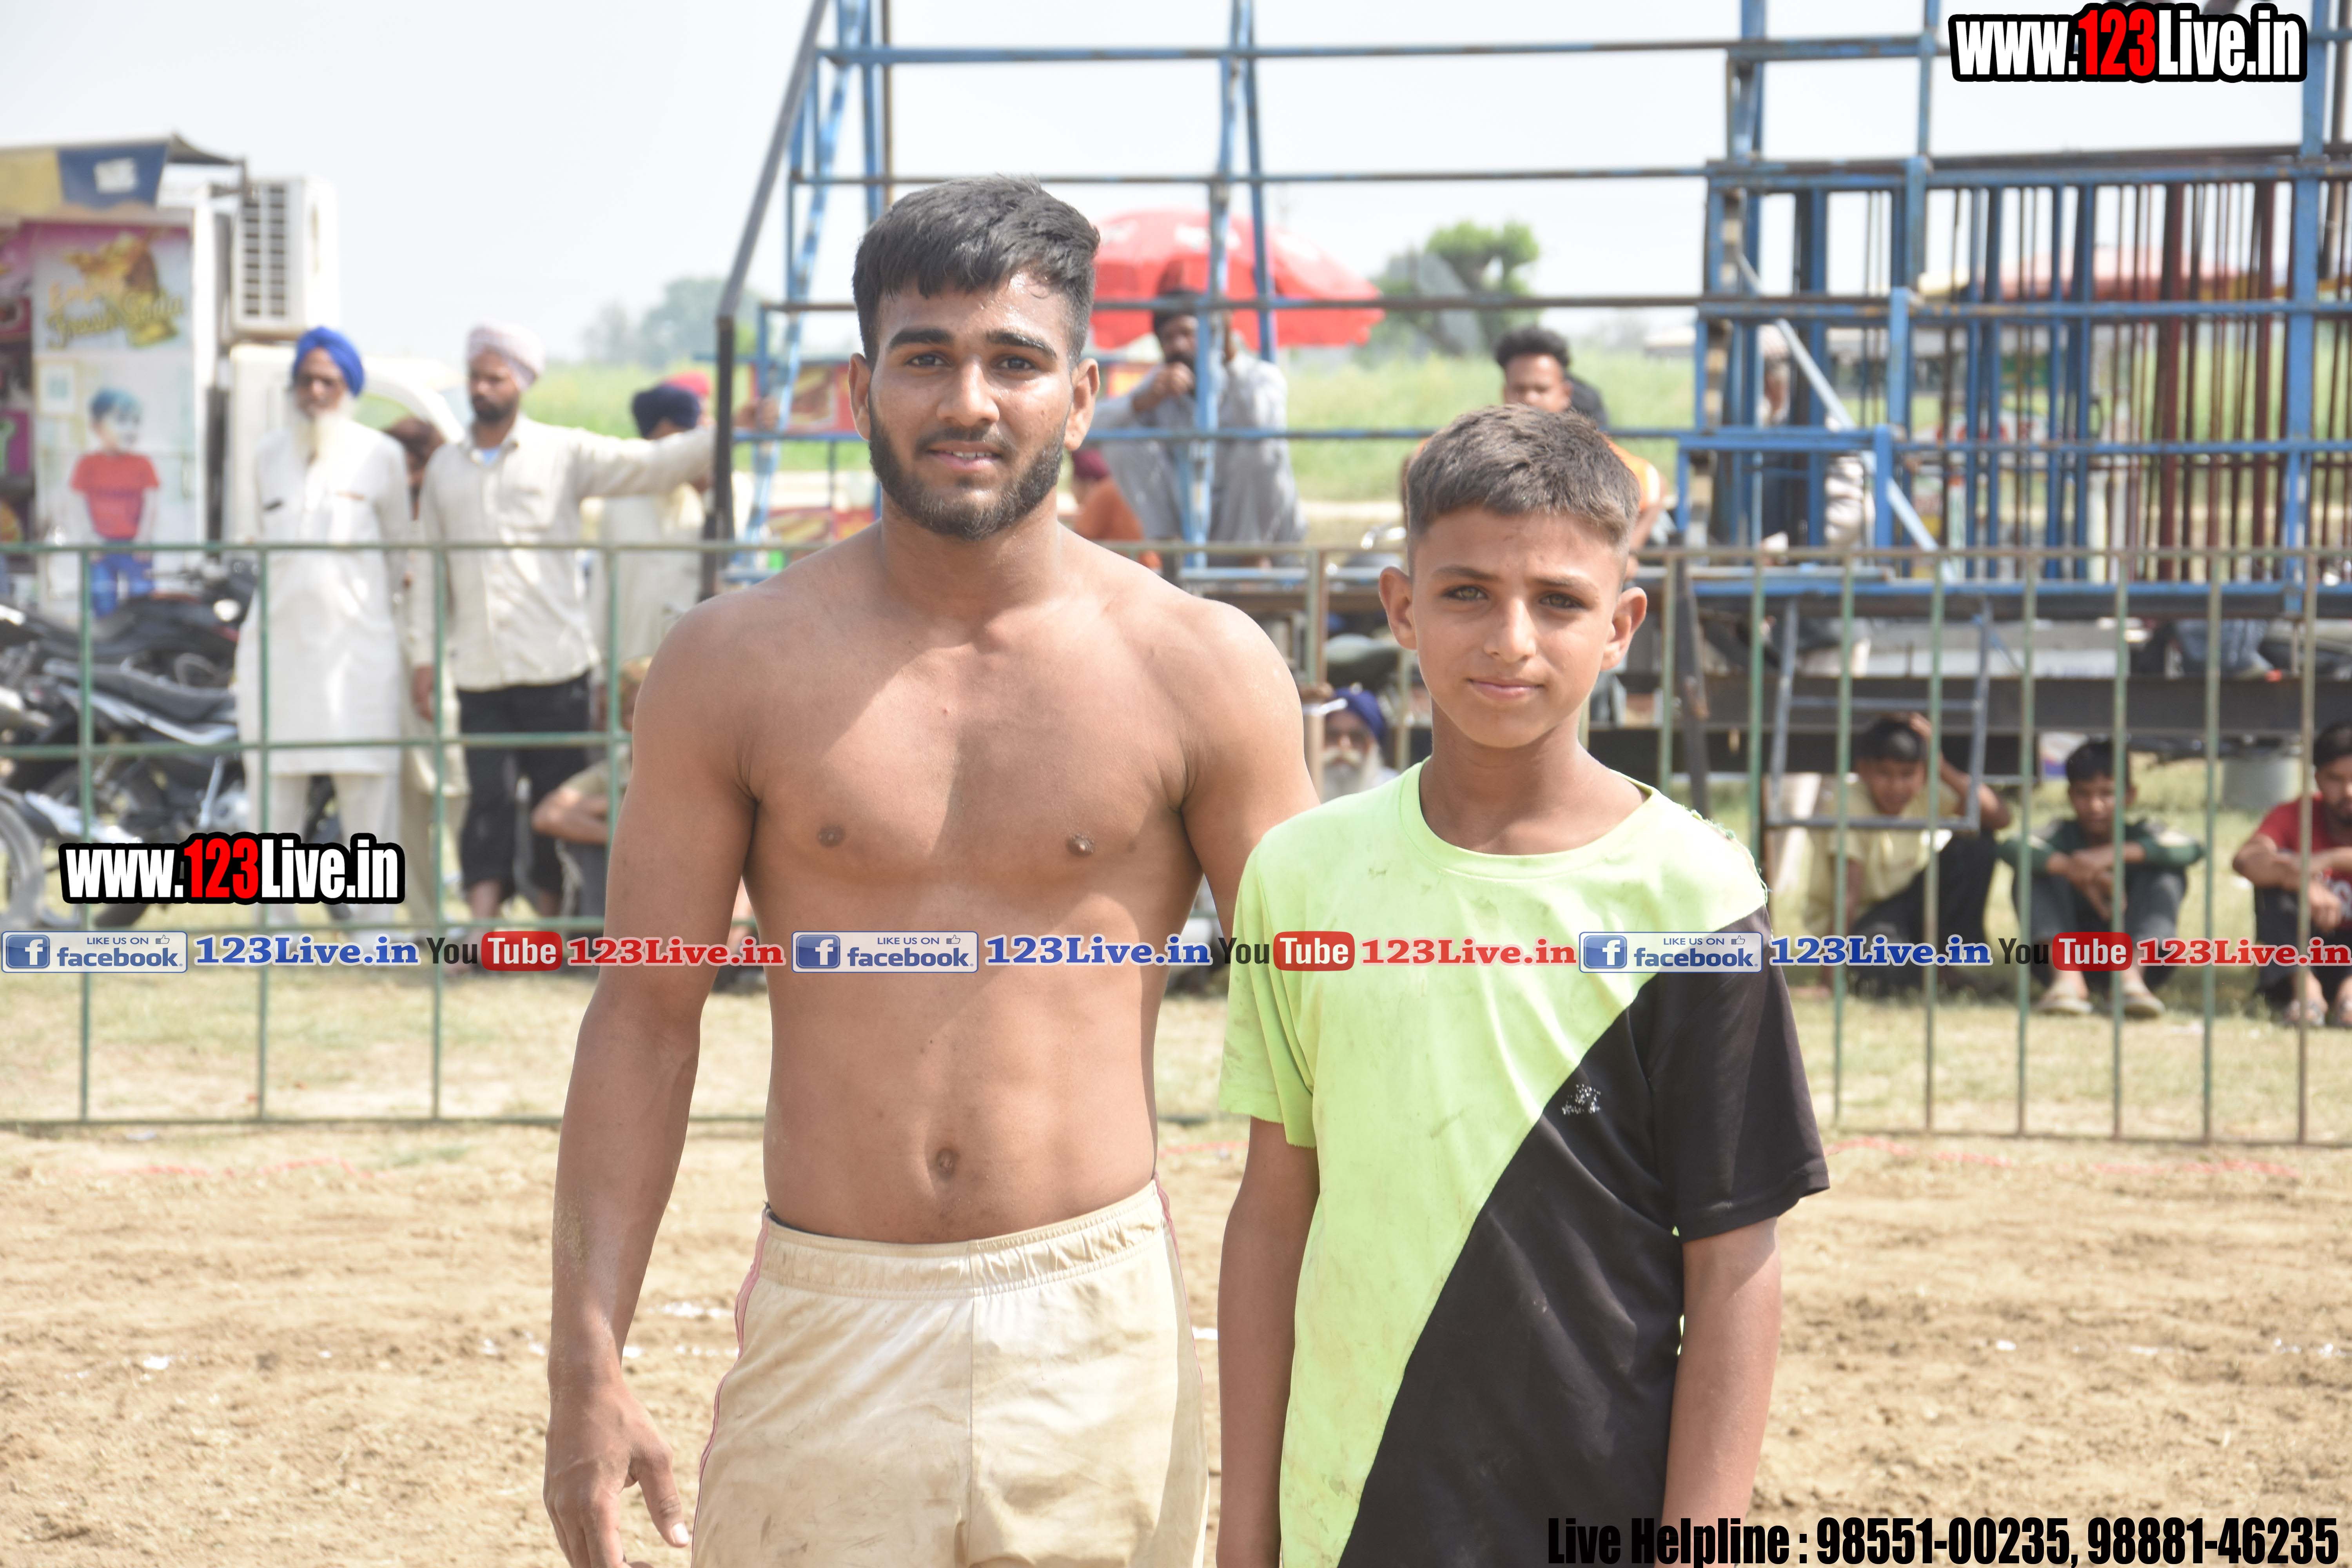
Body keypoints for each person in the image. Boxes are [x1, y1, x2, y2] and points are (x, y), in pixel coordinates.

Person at [540, 177, 1316, 1568]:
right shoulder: (733, 664)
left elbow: (1315, 1026)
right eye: (925, 357)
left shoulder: (1199, 666)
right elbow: (645, 1015)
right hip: (829, 1308)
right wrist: (584, 1363)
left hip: (1095, 1320)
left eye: (1014, 359)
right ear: (860, 389)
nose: (969, 400)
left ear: (1080, 396)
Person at [1216, 403, 1826, 1560]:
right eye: (1465, 593)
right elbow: (1272, 1213)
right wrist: (1245, 1537)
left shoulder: (1692, 895)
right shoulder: (1298, 876)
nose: (1510, 639)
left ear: (1621, 625)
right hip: (1347, 1521)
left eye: (1557, 600)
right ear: (1401, 607)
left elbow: (1735, 1261)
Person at [403, 321, 773, 926]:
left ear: (521, 384)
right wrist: (425, 656)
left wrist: (729, 429)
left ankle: (553, 929)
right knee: (487, 801)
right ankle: (480, 930)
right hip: (478, 665)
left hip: (557, 663)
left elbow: (651, 463)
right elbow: (429, 566)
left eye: (495, 378)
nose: (482, 388)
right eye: (476, 377)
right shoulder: (445, 468)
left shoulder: (562, 452)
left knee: (555, 792)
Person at [233, 326, 414, 876]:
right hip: (280, 653)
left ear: (348, 388)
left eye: (329, 382)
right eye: (307, 380)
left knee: (368, 797)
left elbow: (399, 552)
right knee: (273, 800)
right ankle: (275, 920)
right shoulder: (266, 455)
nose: (316, 392)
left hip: (358, 655)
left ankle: (372, 919)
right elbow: (253, 540)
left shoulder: (381, 455)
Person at [1798, 713, 2011, 987]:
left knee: (1977, 844)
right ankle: (1939, 976)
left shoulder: (1924, 794)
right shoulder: (1850, 802)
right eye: (1885, 774)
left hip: (1904, 907)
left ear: (1924, 772)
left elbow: (1999, 818)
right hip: (1862, 922)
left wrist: (1943, 767)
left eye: (1908, 775)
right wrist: (1829, 980)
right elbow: (1847, 893)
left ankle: (1944, 962)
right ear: (1864, 770)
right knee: (1878, 958)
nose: (1896, 787)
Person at [1090, 292, 1304, 548]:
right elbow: (1089, 430)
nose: (1178, 346)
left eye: (1187, 333)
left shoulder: (1259, 376)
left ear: (1212, 335)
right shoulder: (1160, 385)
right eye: (1168, 338)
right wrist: (1142, 401)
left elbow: (1260, 424)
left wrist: (1229, 353)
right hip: (1193, 520)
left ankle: (1252, 556)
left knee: (1259, 448)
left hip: (1258, 530)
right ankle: (1169, 550)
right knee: (1121, 443)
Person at [2018, 740, 2203, 1019]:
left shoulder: (2143, 833)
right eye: (2084, 794)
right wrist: (2073, 869)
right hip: (2064, 958)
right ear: (2070, 796)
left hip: (2144, 962)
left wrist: (2110, 855)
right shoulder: (2060, 834)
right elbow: (2014, 846)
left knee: (2166, 873)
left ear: (2130, 795)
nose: (2095, 806)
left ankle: (2129, 981)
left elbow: (2192, 847)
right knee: (2034, 871)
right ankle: (2066, 981)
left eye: (2107, 793)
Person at [2231, 721, 2352, 1026]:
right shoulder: (2297, 814)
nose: (2348, 791)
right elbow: (2247, 859)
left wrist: (2332, 858)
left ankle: (2349, 997)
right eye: (2336, 779)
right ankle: (2306, 996)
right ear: (2318, 779)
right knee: (2272, 881)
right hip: (2306, 954)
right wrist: (2297, 879)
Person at [590, 382, 706, 668]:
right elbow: (602, 589)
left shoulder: (717, 495)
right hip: (633, 662)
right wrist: (601, 671)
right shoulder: (620, 500)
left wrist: (707, 492)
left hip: (701, 662)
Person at [66, 387, 159, 615]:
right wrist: (89, 536)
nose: (129, 429)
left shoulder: (143, 464)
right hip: (101, 546)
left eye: (135, 422)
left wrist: (144, 537)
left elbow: (151, 503)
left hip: (134, 544)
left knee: (142, 598)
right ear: (97, 427)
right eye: (121, 421)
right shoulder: (88, 464)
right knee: (102, 598)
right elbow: (77, 503)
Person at [1491, 322, 1610, 426]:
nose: (1530, 399)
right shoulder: (1485, 443)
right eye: (1519, 390)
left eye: (1541, 389)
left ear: (1566, 393)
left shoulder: (1600, 445)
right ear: (1505, 394)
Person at [1065, 445, 1157, 570]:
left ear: (1087, 483)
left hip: (1126, 570)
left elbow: (1076, 542)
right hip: (1148, 568)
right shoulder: (1128, 488)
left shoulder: (1106, 492)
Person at [1316, 686, 1395, 799]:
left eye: (1357, 737)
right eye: (1332, 736)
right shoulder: (1301, 792)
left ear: (1373, 745)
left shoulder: (1394, 791)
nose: (1343, 745)